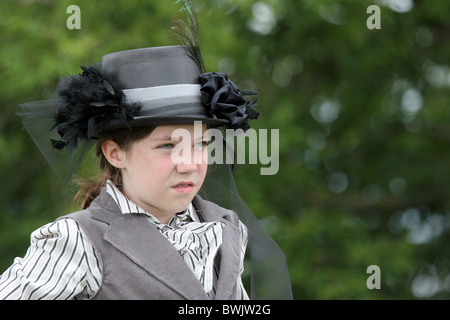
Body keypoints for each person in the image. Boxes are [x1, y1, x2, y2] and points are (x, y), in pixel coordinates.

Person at [0, 1, 292, 300]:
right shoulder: (77, 239)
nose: (189, 163)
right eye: (167, 145)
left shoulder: (226, 229)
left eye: (201, 144)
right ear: (116, 154)